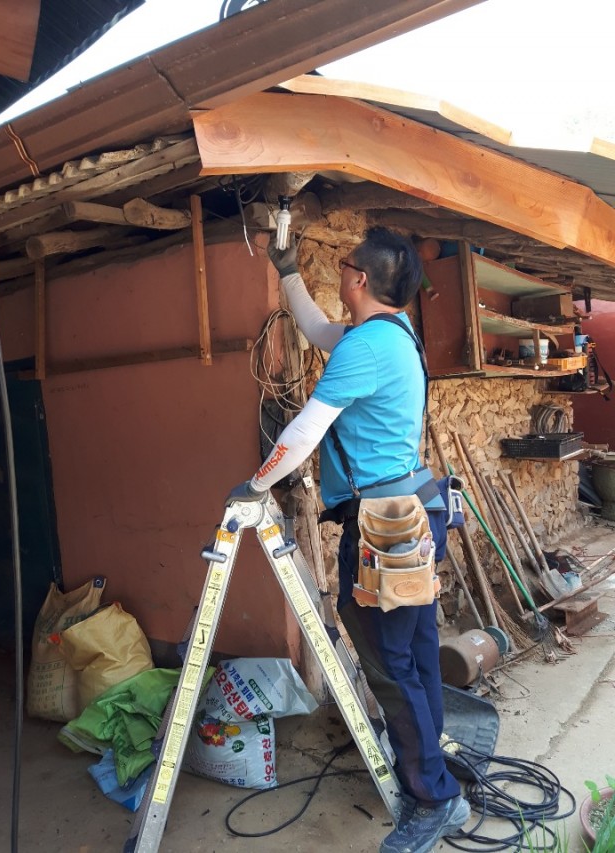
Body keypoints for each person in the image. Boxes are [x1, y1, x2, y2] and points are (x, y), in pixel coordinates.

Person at [225, 227, 470, 853]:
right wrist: (288, 274)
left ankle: (432, 799)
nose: (341, 269)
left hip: (382, 527)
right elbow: (317, 330)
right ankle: (431, 767)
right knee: (413, 657)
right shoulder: (389, 336)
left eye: (344, 263)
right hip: (411, 512)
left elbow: (305, 432)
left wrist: (254, 486)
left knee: (391, 668)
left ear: (360, 280)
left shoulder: (367, 348)